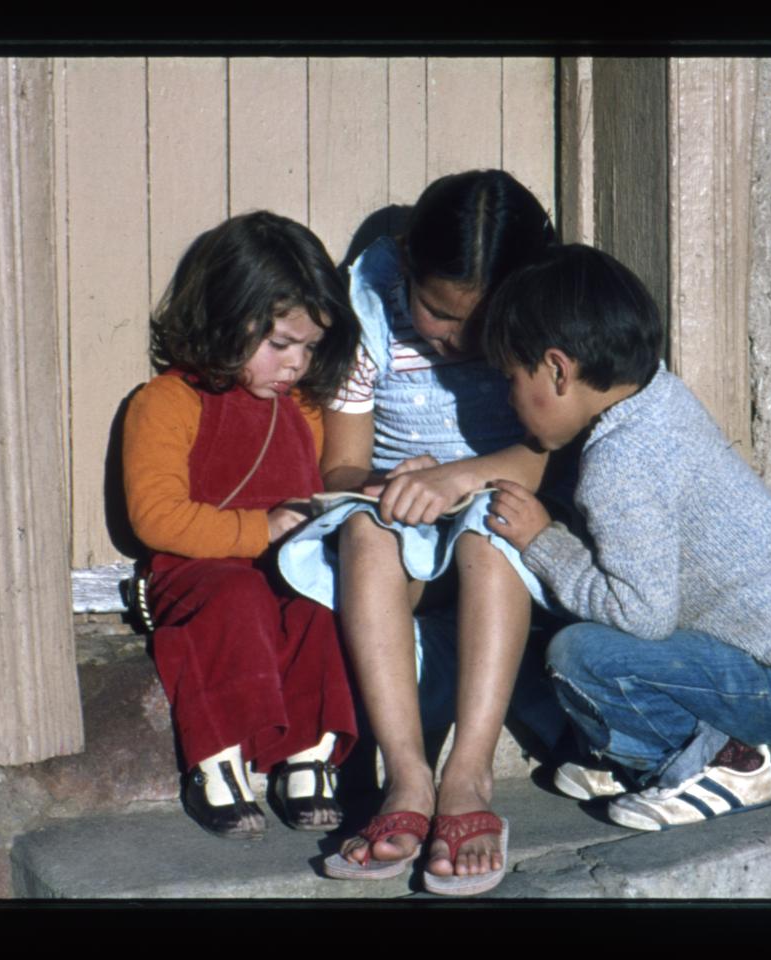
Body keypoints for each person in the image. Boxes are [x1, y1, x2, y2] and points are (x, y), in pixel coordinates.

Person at [482, 244, 771, 832]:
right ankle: (638, 755)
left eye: (511, 379)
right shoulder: (660, 395)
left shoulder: (620, 464)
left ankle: (718, 763)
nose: (509, 399)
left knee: (579, 653)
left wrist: (541, 541)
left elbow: (641, 616)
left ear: (557, 368)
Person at [298, 170, 561, 896]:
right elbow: (344, 464)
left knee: (492, 525)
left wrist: (461, 477)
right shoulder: (371, 302)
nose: (451, 339)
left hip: (497, 512)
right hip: (405, 521)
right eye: (438, 313)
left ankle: (467, 777)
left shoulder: (546, 308)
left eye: (477, 329)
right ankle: (407, 777)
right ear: (408, 263)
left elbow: (553, 452)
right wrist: (386, 490)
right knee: (363, 534)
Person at [122, 211, 361, 838]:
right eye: (281, 344)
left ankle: (308, 755)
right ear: (225, 321)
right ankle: (218, 759)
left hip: (284, 567)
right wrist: (261, 531)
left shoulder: (302, 410)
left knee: (321, 608)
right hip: (194, 572)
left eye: (309, 347)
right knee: (237, 598)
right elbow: (155, 517)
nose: (296, 364)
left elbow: (312, 492)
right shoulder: (167, 403)